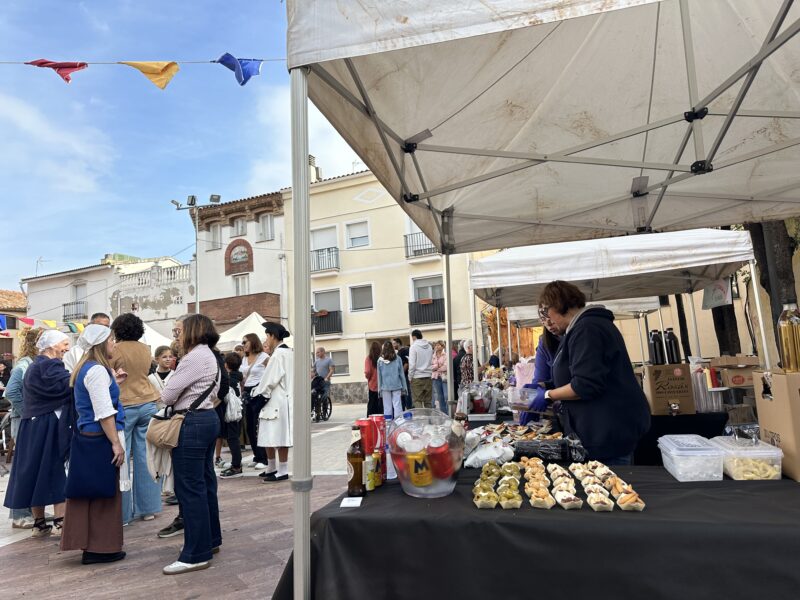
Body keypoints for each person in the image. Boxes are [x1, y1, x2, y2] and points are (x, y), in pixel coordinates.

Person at [539, 281, 651, 465]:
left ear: (558, 305)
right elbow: (576, 372)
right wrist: (546, 385)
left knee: (607, 489)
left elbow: (585, 385)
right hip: (600, 431)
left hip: (607, 432)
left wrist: (546, 395)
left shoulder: (587, 329)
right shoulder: (580, 329)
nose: (546, 320)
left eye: (546, 312)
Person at [160, 314, 222, 575]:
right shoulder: (208, 354)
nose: (177, 335)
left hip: (192, 422)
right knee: (205, 484)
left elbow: (167, 394)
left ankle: (196, 553)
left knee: (190, 488)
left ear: (193, 331)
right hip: (207, 419)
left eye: (180, 330)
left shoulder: (195, 356)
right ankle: (210, 539)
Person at [61, 324, 127, 565]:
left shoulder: (89, 369)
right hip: (99, 437)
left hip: (87, 436)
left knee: (89, 492)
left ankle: (91, 544)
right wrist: (116, 443)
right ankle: (101, 548)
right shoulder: (97, 371)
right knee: (103, 493)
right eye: (111, 340)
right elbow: (103, 412)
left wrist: (114, 384)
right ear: (101, 344)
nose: (115, 344)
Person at [3, 330, 72, 538]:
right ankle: (61, 522)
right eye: (64, 344)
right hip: (47, 424)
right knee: (53, 469)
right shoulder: (50, 366)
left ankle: (40, 524)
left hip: (31, 425)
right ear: (52, 346)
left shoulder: (33, 366)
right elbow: (66, 388)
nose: (67, 349)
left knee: (34, 471)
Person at [110, 313, 162, 525]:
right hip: (147, 401)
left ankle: (122, 515)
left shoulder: (116, 349)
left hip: (125, 404)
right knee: (145, 457)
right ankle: (148, 508)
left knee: (122, 460)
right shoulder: (145, 349)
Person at [4, 327, 42, 529]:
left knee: (29, 467)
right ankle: (19, 514)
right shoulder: (24, 365)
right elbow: (11, 391)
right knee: (24, 468)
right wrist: (28, 411)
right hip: (24, 421)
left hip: (29, 420)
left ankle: (27, 512)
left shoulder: (32, 364)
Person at [254, 322, 293, 483]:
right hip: (286, 398)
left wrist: (257, 394)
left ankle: (281, 469)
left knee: (277, 434)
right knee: (272, 434)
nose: (266, 339)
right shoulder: (290, 352)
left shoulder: (278, 355)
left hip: (275, 399)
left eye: (267, 336)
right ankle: (273, 467)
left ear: (272, 336)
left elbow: (269, 379)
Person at [519, 308, 562, 426]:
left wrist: (547, 394)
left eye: (551, 317)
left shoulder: (579, 334)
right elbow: (542, 377)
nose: (548, 323)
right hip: (563, 414)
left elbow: (580, 383)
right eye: (543, 319)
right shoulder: (545, 342)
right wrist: (539, 387)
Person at [240, 333, 270, 470]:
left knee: (258, 426)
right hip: (247, 392)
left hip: (258, 392)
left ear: (253, 341)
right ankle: (257, 456)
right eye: (242, 342)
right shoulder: (244, 359)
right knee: (249, 426)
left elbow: (270, 374)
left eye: (245, 341)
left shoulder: (264, 357)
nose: (243, 344)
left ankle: (264, 458)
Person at [219, 352, 244, 478]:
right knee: (233, 439)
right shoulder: (238, 377)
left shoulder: (230, 380)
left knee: (233, 439)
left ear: (226, 364)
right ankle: (236, 464)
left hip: (232, 413)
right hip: (237, 412)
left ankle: (236, 466)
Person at [377, 341, 406, 419]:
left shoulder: (380, 361)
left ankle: (388, 423)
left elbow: (379, 376)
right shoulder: (398, 359)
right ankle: (398, 422)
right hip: (396, 385)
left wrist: (379, 389)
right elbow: (401, 374)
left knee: (387, 406)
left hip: (385, 386)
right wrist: (404, 387)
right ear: (392, 348)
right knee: (397, 405)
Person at [408, 330, 433, 409]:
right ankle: (429, 420)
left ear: (414, 337)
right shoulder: (429, 346)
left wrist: (410, 377)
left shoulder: (413, 347)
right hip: (428, 376)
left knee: (417, 401)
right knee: (428, 402)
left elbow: (412, 364)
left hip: (417, 377)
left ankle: (421, 420)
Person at [392, 338, 411, 409]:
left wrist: (401, 374)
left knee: (406, 393)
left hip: (404, 376)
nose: (393, 345)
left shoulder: (404, 351)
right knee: (402, 394)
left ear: (398, 343)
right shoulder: (399, 352)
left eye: (394, 343)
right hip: (402, 376)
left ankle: (409, 409)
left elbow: (406, 363)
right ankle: (403, 409)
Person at [364, 341, 382, 416]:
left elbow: (367, 372)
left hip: (372, 384)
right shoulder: (382, 358)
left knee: (372, 404)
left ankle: (371, 420)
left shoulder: (369, 358)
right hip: (382, 385)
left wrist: (368, 377)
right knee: (381, 404)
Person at [431, 341, 448, 413]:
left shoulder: (446, 355)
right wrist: (438, 366)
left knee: (446, 396)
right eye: (436, 345)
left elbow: (446, 367)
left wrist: (436, 368)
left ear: (443, 346)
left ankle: (448, 411)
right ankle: (443, 413)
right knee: (440, 397)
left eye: (439, 345)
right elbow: (430, 367)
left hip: (444, 377)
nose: (437, 347)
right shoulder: (433, 356)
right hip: (435, 378)